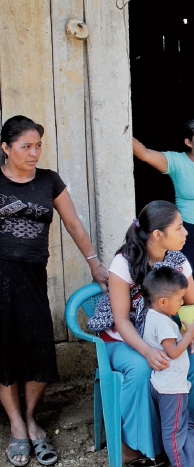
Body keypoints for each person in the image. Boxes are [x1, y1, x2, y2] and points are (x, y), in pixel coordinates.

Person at [0, 115, 109, 467]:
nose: (34, 153)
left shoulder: (49, 181)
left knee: (39, 348)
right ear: (6, 148)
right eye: (26, 146)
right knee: (4, 351)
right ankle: (17, 426)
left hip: (32, 279)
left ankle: (30, 417)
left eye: (38, 146)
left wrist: (94, 264)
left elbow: (74, 224)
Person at [87, 200, 194, 466]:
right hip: (122, 338)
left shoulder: (177, 260)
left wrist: (187, 329)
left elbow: (193, 304)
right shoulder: (124, 262)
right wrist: (147, 351)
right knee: (141, 368)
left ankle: (188, 440)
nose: (185, 233)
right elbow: (121, 320)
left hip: (163, 333)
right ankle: (135, 447)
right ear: (158, 234)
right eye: (179, 228)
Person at [133, 117, 194, 346]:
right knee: (188, 291)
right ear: (188, 141)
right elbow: (145, 154)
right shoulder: (177, 162)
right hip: (188, 238)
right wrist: (121, 128)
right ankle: (189, 339)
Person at [142, 267, 194, 467]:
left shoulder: (155, 316)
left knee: (186, 425)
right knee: (174, 432)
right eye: (179, 299)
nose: (182, 303)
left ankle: (192, 461)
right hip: (171, 388)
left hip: (171, 385)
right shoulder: (163, 322)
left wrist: (184, 333)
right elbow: (173, 351)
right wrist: (190, 333)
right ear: (162, 302)